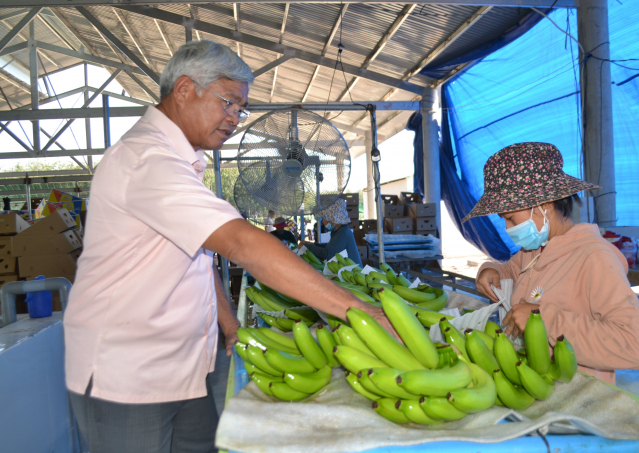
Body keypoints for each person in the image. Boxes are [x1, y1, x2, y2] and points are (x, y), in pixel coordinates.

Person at [63, 40, 395, 453]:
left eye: (242, 110)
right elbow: (241, 242)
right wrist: (361, 311)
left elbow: (196, 260)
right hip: (128, 372)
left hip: (183, 364)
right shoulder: (146, 160)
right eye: (229, 103)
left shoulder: (179, 162)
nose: (235, 118)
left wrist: (230, 325)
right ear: (185, 89)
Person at [466, 142, 639, 384]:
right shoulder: (535, 249)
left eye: (510, 218)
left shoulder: (594, 258)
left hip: (577, 397)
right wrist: (490, 269)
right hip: (534, 387)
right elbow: (510, 269)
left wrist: (542, 320)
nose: (509, 229)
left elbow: (633, 345)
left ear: (544, 205)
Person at [304, 199, 361, 265]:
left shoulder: (343, 233)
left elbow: (327, 254)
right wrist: (315, 245)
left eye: (324, 218)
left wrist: (307, 247)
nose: (323, 221)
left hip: (353, 273)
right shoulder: (338, 231)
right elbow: (331, 247)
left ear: (333, 219)